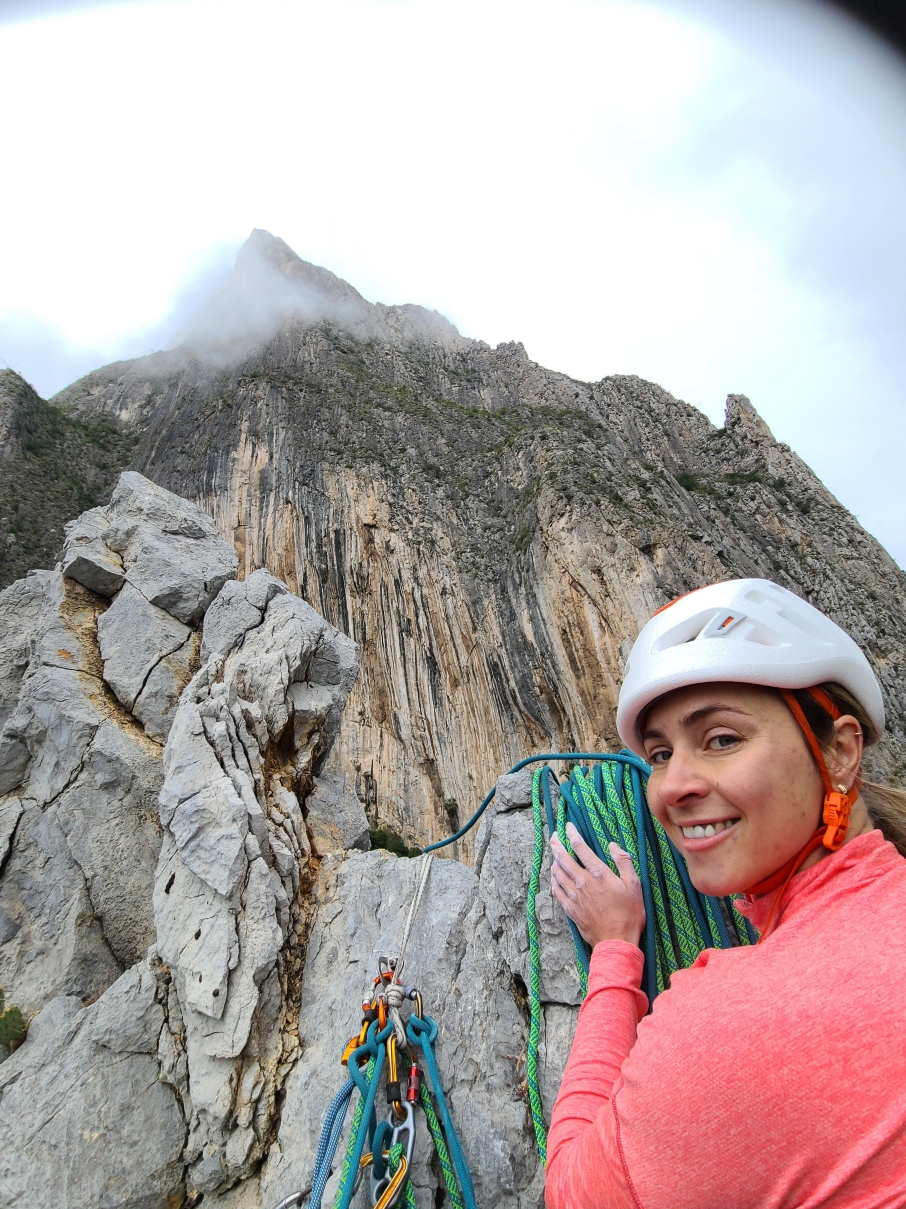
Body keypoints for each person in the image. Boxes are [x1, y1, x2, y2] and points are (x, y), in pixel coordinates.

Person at [545, 578, 906, 1209]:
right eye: (660, 753)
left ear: (842, 752)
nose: (670, 787)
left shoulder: (734, 1027)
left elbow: (571, 1190)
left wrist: (614, 950)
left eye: (722, 740)